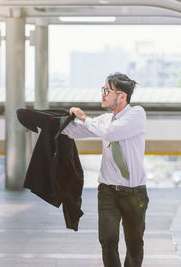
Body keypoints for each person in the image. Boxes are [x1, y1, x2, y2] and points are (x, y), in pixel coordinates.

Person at [61, 72, 149, 267]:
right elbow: (75, 131)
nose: (102, 95)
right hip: (108, 191)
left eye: (106, 91)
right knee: (107, 240)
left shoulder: (137, 114)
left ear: (122, 96)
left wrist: (84, 117)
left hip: (134, 193)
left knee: (135, 245)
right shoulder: (104, 119)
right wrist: (52, 123)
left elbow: (111, 133)